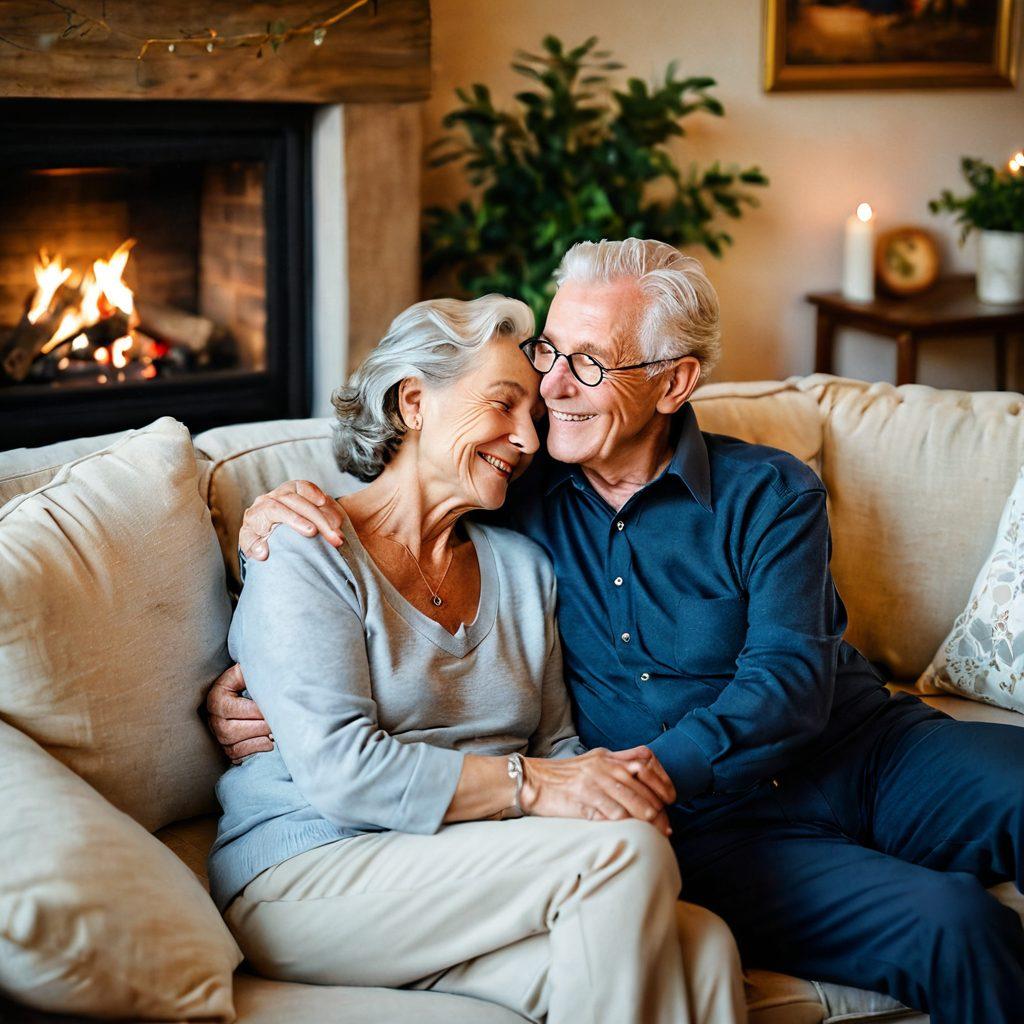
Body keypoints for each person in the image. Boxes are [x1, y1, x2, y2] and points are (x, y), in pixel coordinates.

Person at [215, 238, 1024, 1024]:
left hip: (861, 753)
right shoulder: (515, 494)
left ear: (675, 383)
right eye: (548, 354)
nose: (552, 394)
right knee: (957, 925)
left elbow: (788, 685)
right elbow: (403, 493)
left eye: (590, 363)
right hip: (719, 830)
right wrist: (272, 519)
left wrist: (631, 780)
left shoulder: (768, 491)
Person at [206, 292, 746, 1024]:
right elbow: (341, 770)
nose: (527, 439)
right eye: (503, 405)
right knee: (621, 857)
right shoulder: (307, 544)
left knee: (704, 943)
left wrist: (608, 796)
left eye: (536, 417)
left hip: (467, 874)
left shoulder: (525, 568)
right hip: (312, 870)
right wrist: (539, 789)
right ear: (413, 403)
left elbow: (556, 743)